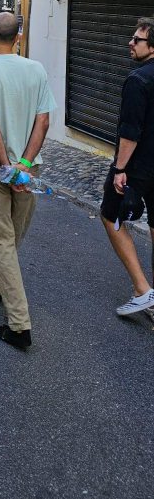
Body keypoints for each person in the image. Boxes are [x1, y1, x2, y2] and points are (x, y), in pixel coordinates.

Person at [0, 12, 56, 351]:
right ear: (18, 36)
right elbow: (43, 122)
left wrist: (8, 168)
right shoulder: (36, 70)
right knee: (11, 236)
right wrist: (24, 166)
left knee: (3, 240)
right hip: (28, 168)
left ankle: (18, 326)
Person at [100, 17, 154, 317]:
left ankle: (142, 289)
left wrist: (120, 169)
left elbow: (130, 131)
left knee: (110, 217)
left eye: (137, 39)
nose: (130, 43)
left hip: (137, 168)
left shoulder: (138, 80)